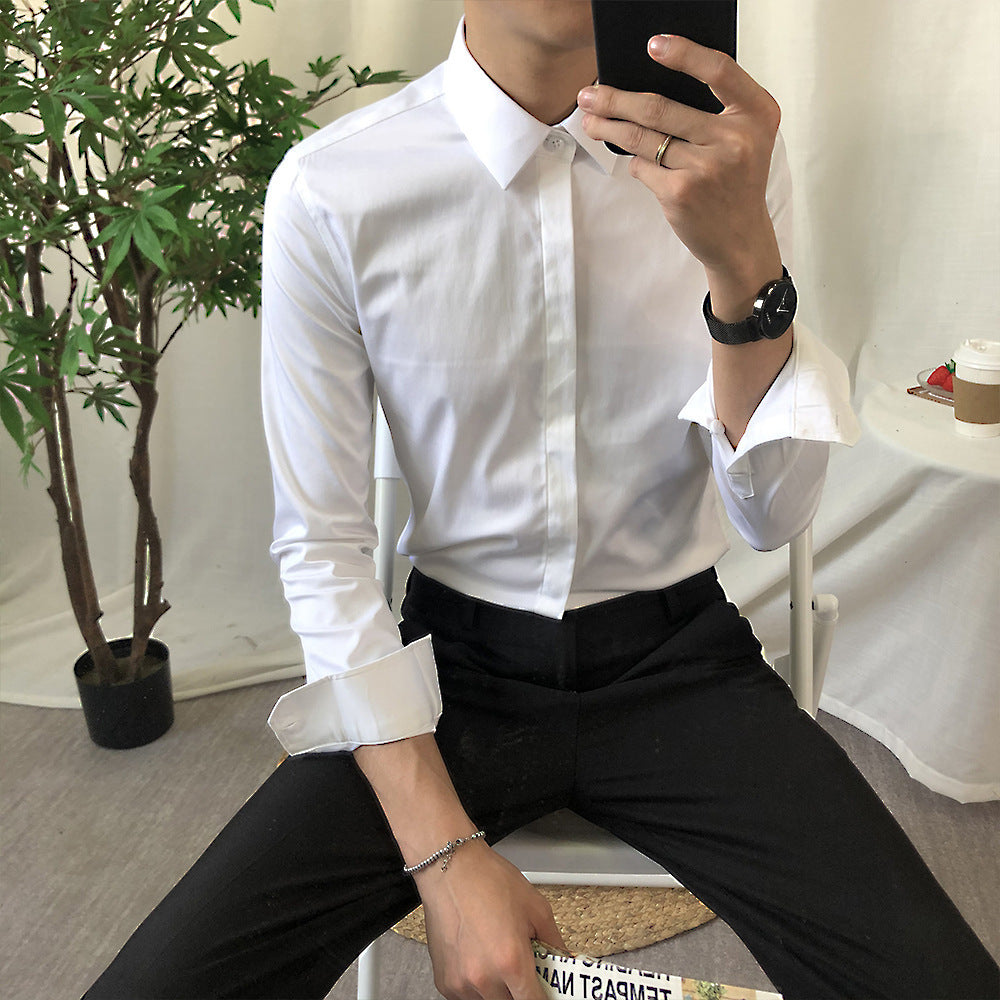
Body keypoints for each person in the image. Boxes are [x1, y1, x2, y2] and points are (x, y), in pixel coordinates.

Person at [86, 3, 999, 999]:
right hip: (448, 678)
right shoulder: (337, 187)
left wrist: (745, 266)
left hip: (680, 666)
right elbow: (323, 545)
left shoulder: (722, 162)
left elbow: (771, 519)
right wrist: (443, 858)